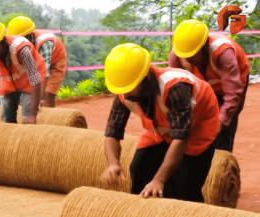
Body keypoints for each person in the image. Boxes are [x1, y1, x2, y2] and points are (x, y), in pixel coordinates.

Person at [102, 43, 219, 202]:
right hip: (160, 128)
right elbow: (112, 132)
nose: (125, 92)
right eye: (122, 88)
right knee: (139, 169)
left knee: (184, 186)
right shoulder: (124, 91)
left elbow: (180, 138)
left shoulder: (175, 87)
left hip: (197, 127)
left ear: (145, 76)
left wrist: (159, 180)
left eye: (129, 87)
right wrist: (113, 163)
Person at [169, 19, 250, 151]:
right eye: (185, 56)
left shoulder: (224, 53)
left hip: (234, 82)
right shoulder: (179, 54)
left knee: (224, 127)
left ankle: (221, 157)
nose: (188, 59)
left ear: (204, 46)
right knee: (198, 123)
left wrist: (221, 121)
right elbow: (174, 87)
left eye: (192, 55)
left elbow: (233, 93)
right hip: (206, 84)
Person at [7, 16, 68, 107]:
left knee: (48, 94)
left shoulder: (44, 42)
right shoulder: (15, 46)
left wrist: (39, 99)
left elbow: (45, 74)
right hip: (36, 62)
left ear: (30, 35)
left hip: (56, 62)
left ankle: (50, 118)